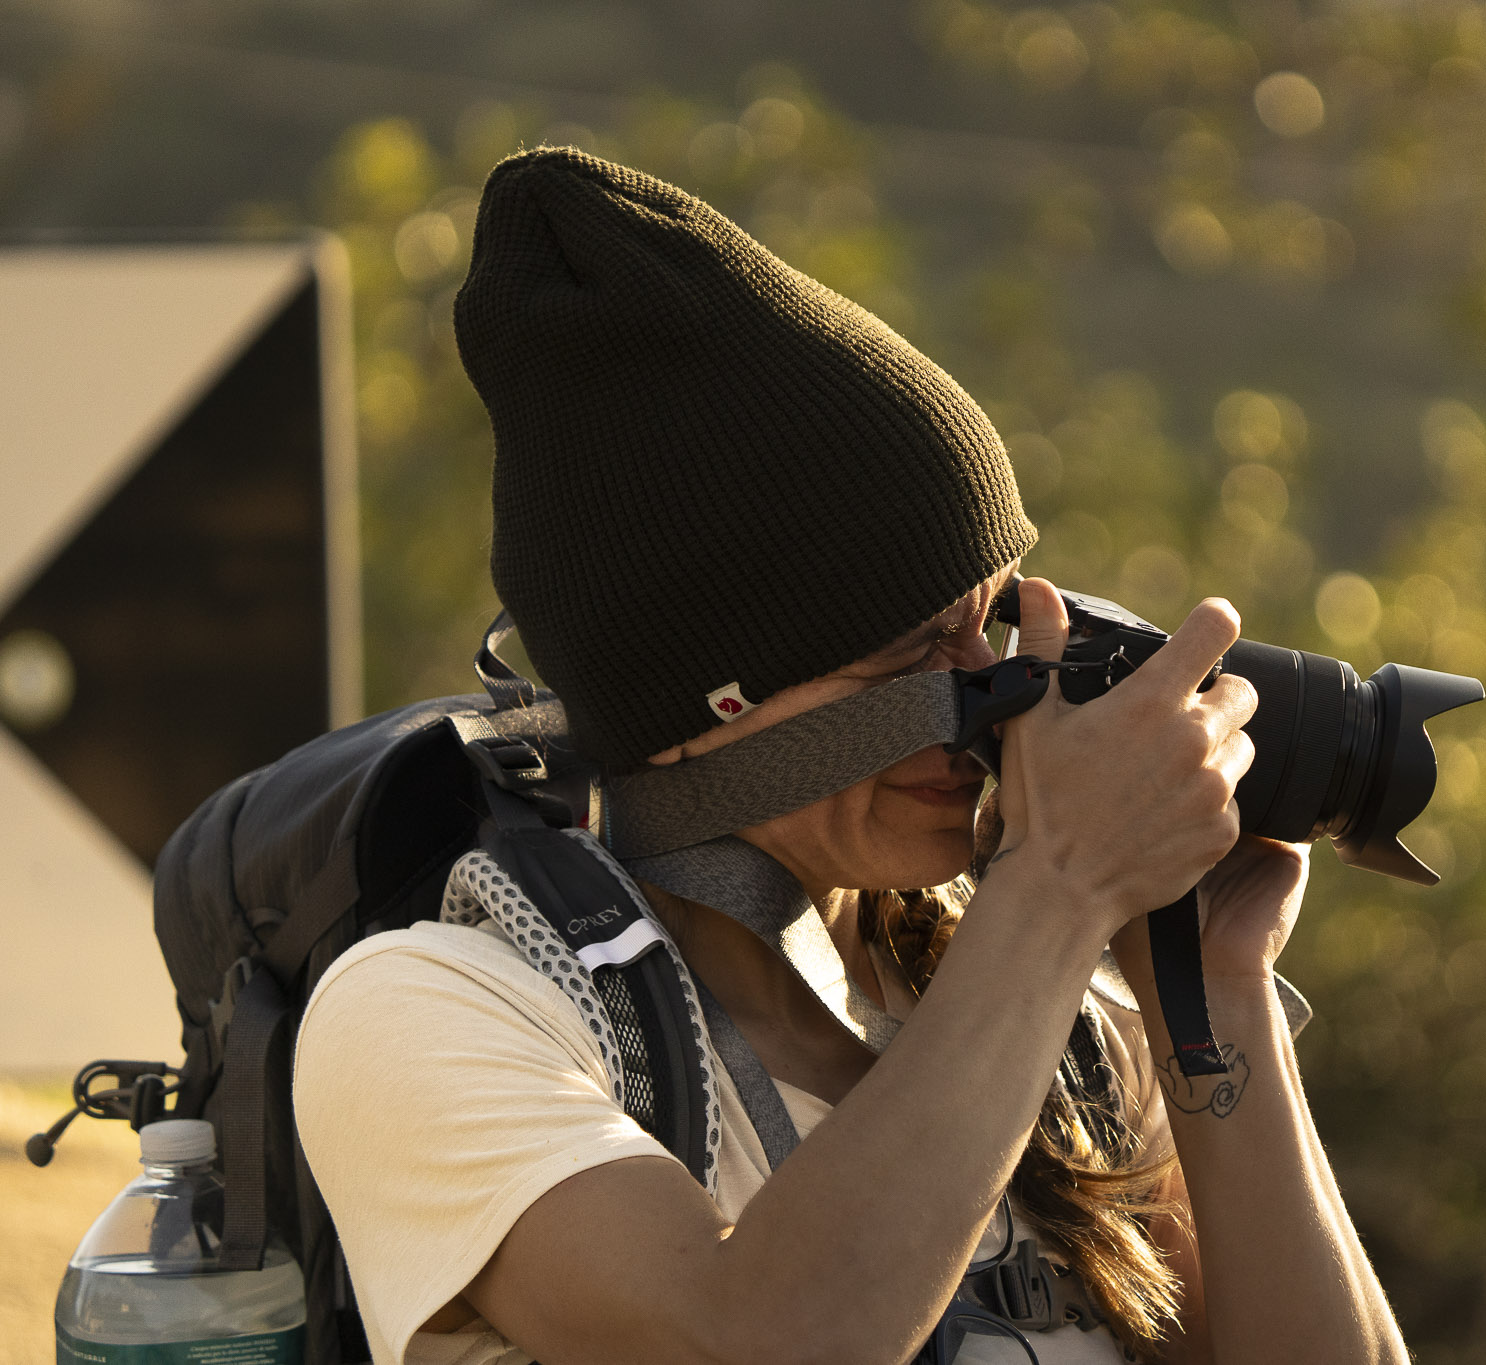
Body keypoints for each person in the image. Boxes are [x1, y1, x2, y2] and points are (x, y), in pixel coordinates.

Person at [293, 147, 1409, 1365]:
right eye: (901, 649)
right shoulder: (435, 1010)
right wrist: (1058, 887)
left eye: (985, 620)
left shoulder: (1050, 1014)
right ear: (692, 708)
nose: (989, 689)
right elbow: (748, 1344)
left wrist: (1216, 994)